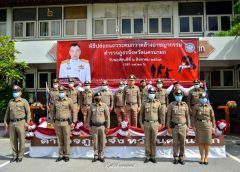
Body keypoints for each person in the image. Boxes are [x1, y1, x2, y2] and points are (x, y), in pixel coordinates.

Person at [4, 85, 31, 163]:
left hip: (21, 123)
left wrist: (27, 122)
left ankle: (20, 156)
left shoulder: (24, 101)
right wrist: (5, 121)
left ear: (20, 92)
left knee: (22, 140)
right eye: (14, 92)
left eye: (16, 92)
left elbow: (28, 112)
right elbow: (7, 112)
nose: (15, 93)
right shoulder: (10, 101)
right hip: (12, 123)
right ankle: (14, 155)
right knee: (13, 140)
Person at [139, 87, 164, 163]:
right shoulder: (144, 102)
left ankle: (153, 156)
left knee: (153, 140)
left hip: (155, 123)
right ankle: (147, 156)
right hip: (146, 123)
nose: (151, 94)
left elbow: (161, 114)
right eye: (150, 93)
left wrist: (161, 123)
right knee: (147, 140)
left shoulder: (158, 102)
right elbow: (141, 115)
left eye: (153, 93)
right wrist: (141, 124)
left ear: (155, 94)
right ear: (148, 93)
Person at [52, 86, 76, 162]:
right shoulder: (56, 101)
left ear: (65, 92)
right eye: (60, 92)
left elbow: (74, 111)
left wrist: (73, 122)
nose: (61, 93)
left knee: (66, 139)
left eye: (62, 92)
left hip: (66, 122)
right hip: (58, 122)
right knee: (59, 139)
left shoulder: (69, 100)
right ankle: (61, 154)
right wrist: (53, 121)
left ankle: (67, 155)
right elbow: (53, 112)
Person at [167, 89, 190, 165]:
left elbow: (187, 116)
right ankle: (175, 157)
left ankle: (182, 157)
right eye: (177, 95)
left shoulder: (185, 105)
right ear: (174, 96)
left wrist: (188, 126)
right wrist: (169, 127)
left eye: (180, 95)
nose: (178, 97)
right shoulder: (171, 105)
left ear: (182, 96)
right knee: (175, 143)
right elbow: (169, 117)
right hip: (174, 127)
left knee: (183, 143)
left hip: (183, 126)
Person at [192, 92, 215, 165]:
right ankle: (202, 157)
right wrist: (193, 126)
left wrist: (213, 127)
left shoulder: (209, 106)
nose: (203, 99)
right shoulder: (196, 106)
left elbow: (213, 117)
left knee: (207, 143)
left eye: (204, 98)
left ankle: (206, 157)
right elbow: (193, 117)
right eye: (202, 98)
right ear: (199, 98)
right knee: (201, 143)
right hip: (199, 125)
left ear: (206, 98)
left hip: (208, 125)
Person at [87, 92, 110, 163]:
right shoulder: (91, 106)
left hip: (102, 126)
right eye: (96, 97)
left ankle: (101, 155)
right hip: (94, 126)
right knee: (95, 142)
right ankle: (96, 155)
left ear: (101, 98)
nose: (98, 98)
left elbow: (107, 117)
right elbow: (89, 117)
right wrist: (89, 126)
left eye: (99, 97)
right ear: (94, 98)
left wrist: (107, 127)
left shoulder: (104, 106)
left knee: (102, 141)